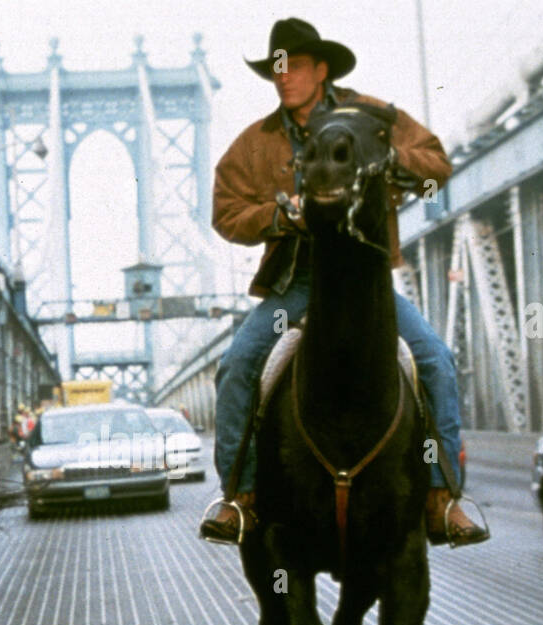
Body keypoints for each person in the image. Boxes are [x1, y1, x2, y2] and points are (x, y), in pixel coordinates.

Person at [200, 18, 489, 548]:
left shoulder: (373, 117)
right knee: (236, 366)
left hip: (363, 277)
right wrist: (279, 217)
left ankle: (441, 497)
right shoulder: (256, 143)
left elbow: (436, 166)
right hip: (297, 279)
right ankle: (239, 498)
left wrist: (391, 159)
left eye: (293, 67)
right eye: (276, 69)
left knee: (435, 359)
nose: (283, 78)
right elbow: (225, 212)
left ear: (321, 69)